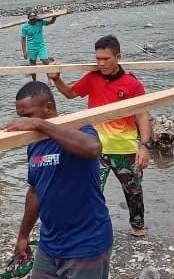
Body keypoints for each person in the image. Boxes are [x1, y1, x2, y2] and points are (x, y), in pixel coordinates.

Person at [5, 81, 112, 279]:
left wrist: (42, 126)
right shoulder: (35, 145)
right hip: (52, 241)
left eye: (28, 115)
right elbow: (34, 191)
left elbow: (92, 149)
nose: (24, 122)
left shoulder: (79, 128)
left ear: (49, 107)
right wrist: (23, 235)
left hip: (86, 242)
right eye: (21, 115)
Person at [47, 35, 153, 237]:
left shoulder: (132, 84)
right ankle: (86, 227)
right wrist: (56, 78)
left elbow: (142, 115)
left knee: (134, 191)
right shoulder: (92, 78)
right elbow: (70, 94)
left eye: (106, 59)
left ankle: (137, 226)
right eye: (98, 59)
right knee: (90, 191)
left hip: (125, 149)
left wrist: (144, 146)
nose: (101, 63)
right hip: (96, 149)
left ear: (118, 56)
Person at [21, 11, 60, 81]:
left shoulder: (40, 22)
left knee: (45, 61)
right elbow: (23, 39)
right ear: (29, 19)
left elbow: (50, 22)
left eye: (34, 19)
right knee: (33, 65)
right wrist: (24, 51)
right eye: (32, 20)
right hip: (31, 47)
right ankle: (34, 81)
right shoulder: (24, 27)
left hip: (41, 46)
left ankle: (49, 80)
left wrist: (54, 17)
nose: (34, 21)